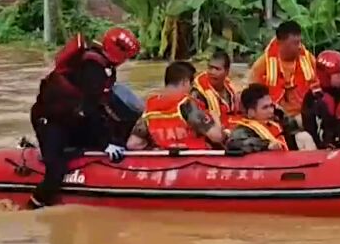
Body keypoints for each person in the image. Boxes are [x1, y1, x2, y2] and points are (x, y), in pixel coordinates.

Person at [28, 27, 141, 208]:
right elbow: (91, 109)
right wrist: (106, 143)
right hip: (51, 120)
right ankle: (33, 206)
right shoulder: (93, 68)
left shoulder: (103, 65)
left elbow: (99, 106)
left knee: (101, 140)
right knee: (56, 171)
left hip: (72, 118)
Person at [127, 61, 226, 151]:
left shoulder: (150, 106)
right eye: (191, 85)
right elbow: (216, 137)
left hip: (163, 160)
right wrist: (216, 118)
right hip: (192, 161)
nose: (191, 90)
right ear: (185, 82)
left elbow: (133, 144)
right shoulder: (187, 104)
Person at [250, 20, 319, 123]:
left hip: (306, 114)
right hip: (275, 117)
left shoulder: (309, 59)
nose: (300, 46)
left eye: (300, 42)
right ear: (280, 43)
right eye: (295, 43)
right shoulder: (263, 64)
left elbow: (319, 86)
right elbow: (253, 94)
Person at [226, 83, 296, 154]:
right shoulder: (243, 130)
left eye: (271, 106)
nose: (271, 110)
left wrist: (281, 114)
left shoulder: (277, 121)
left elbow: (293, 128)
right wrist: (266, 145)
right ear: (251, 112)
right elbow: (234, 144)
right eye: (265, 107)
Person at [191, 50, 239, 128]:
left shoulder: (231, 90)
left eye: (217, 69)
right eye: (210, 68)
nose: (212, 72)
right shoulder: (198, 92)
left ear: (226, 72)